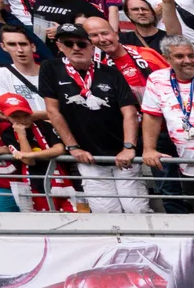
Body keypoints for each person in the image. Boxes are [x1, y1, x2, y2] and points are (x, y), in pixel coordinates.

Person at [38, 22, 150, 213]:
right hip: (88, 156)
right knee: (106, 211)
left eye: (81, 44)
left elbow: (129, 111)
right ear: (59, 45)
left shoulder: (110, 72)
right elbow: (53, 111)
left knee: (135, 208)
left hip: (122, 153)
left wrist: (129, 147)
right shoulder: (50, 68)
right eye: (68, 43)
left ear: (91, 46)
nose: (75, 48)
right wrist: (73, 147)